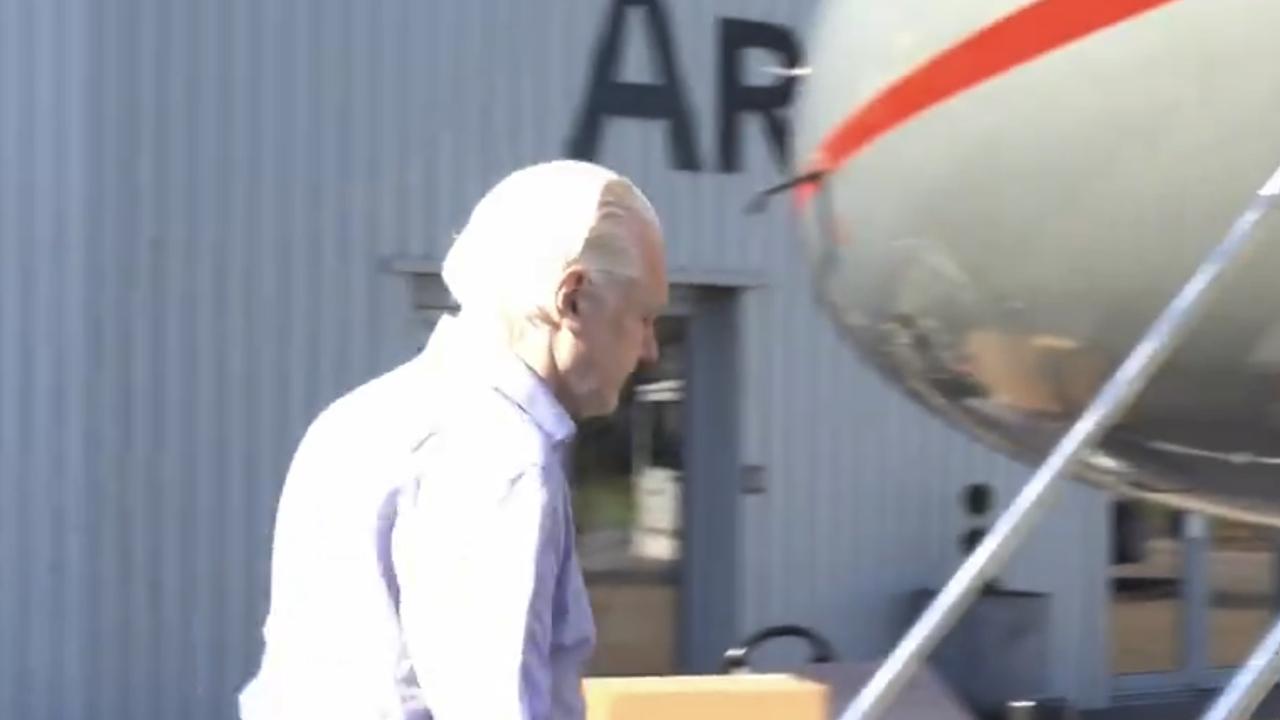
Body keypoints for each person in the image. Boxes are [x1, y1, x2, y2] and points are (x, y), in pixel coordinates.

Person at [238, 159, 669, 719]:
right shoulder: (503, 457)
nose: (651, 351)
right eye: (643, 318)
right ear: (573, 298)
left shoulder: (360, 418)